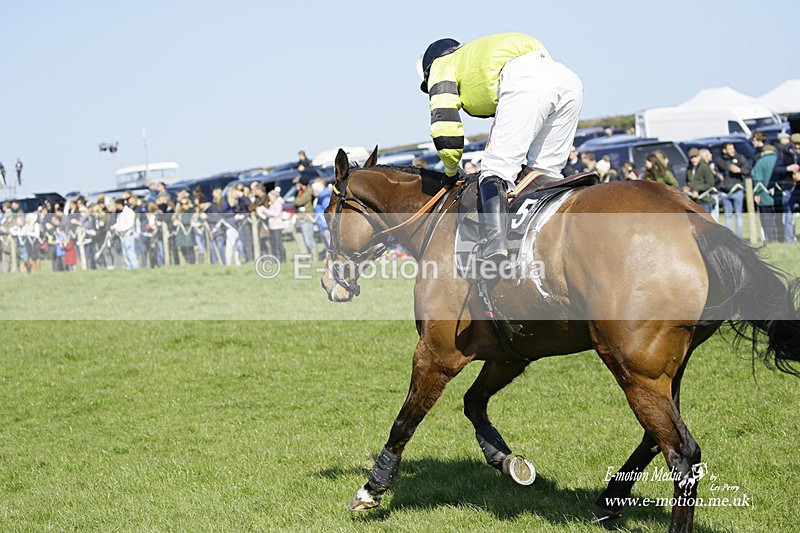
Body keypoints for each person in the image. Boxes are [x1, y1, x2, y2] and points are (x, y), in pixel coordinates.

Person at [419, 32, 583, 263]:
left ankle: (496, 243)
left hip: (525, 79)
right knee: (544, 173)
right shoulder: (475, 54)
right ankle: (549, 241)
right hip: (567, 79)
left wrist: (450, 170)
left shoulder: (441, 66)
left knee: (495, 170)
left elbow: (445, 126)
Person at [714, 142, 751, 237]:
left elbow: (747, 170)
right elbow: (716, 171)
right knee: (728, 215)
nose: (732, 150)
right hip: (725, 192)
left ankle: (738, 236)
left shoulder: (740, 158)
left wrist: (740, 170)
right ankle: (730, 237)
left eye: (733, 148)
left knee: (738, 214)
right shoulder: (719, 160)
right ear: (724, 150)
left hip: (737, 190)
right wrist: (720, 176)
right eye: (730, 149)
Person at [771, 132, 800, 243]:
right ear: (791, 143)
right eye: (795, 144)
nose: (797, 146)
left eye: (799, 144)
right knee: (788, 214)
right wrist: (788, 168)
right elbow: (776, 169)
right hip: (788, 187)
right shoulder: (783, 154)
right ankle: (789, 239)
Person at [751, 145, 779, 243]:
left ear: (763, 152)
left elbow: (757, 179)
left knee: (767, 220)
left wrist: (757, 193)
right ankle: (782, 238)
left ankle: (771, 239)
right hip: (779, 197)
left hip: (764, 197)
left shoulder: (760, 162)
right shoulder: (780, 161)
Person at [684, 148, 716, 215]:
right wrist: (687, 188)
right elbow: (689, 182)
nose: (693, 159)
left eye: (695, 157)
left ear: (699, 157)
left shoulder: (705, 168)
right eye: (691, 158)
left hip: (705, 200)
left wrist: (697, 189)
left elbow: (710, 184)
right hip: (693, 200)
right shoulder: (689, 169)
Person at [110, 197, 139, 269]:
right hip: (122, 236)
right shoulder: (120, 213)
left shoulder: (129, 212)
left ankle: (134, 267)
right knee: (125, 252)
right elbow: (119, 223)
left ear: (120, 204)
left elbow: (130, 224)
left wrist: (120, 229)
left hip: (128, 235)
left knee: (130, 252)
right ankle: (129, 266)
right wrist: (114, 227)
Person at [293, 177, 317, 256]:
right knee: (300, 236)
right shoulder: (301, 192)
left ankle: (314, 256)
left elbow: (298, 202)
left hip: (307, 218)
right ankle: (308, 255)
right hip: (301, 217)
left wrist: (298, 194)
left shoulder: (308, 192)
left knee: (308, 239)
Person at [312, 178, 332, 259]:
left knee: (329, 242)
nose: (313, 191)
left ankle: (332, 258)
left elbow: (327, 209)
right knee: (326, 242)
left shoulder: (324, 196)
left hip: (325, 224)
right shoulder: (320, 196)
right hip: (322, 223)